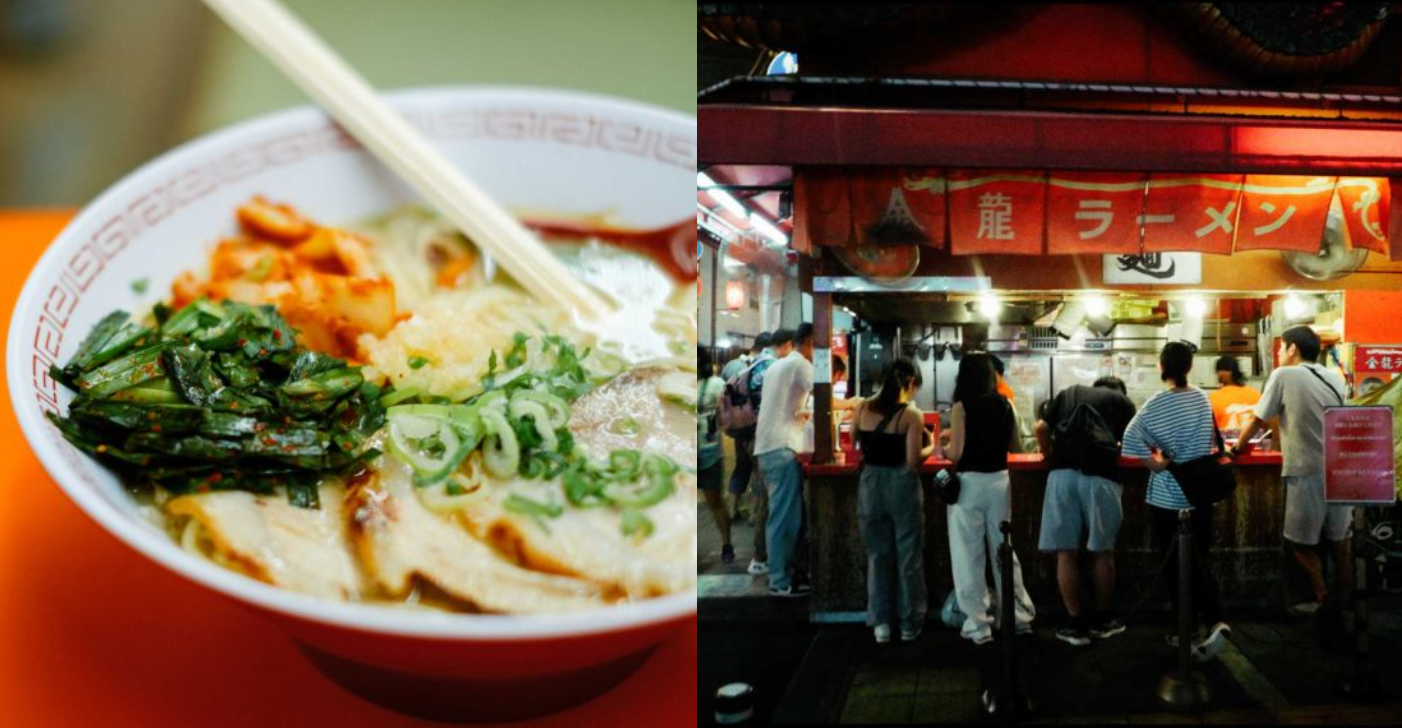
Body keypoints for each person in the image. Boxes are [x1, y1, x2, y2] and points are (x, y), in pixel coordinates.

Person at [1230, 326, 1351, 622]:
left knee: (1300, 543)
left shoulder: (1284, 375)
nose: (1279, 353)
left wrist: (1235, 450)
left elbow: (1258, 419)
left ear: (1293, 348)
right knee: (1340, 541)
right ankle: (1345, 599)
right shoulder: (1335, 377)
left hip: (1306, 471)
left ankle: (1324, 599)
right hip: (1341, 470)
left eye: (1281, 348)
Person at [1121, 342, 1231, 662]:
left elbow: (1130, 437)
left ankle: (1186, 629)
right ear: (1189, 367)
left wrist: (1156, 464)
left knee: (1175, 568)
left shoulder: (1157, 403)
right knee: (1198, 561)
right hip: (1201, 496)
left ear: (1161, 366)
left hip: (1168, 498)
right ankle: (1210, 622)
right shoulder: (1200, 396)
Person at [1035, 376, 1137, 646]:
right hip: (1102, 477)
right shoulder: (1123, 402)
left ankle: (1075, 625)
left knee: (1065, 553)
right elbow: (1136, 443)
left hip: (1061, 476)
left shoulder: (1069, 391)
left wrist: (1047, 454)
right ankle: (1103, 621)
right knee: (1102, 551)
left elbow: (1041, 427)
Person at [946, 353, 1036, 644]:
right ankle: (1017, 618)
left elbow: (956, 453)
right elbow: (1012, 444)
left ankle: (978, 625)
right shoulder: (1005, 404)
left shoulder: (961, 407)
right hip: (999, 482)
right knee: (1004, 550)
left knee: (968, 555)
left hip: (969, 485)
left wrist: (943, 448)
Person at [853, 358, 935, 643]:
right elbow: (913, 461)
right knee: (908, 555)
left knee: (878, 555)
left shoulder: (862, 407)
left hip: (870, 485)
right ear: (910, 382)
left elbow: (855, 441)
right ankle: (910, 623)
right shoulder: (911, 415)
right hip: (901, 486)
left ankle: (882, 625)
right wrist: (932, 446)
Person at [754, 324, 815, 597]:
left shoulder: (778, 365)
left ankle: (788, 574)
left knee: (783, 515)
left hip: (768, 447)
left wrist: (800, 413)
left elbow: (782, 406)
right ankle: (779, 581)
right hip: (781, 448)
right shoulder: (800, 364)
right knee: (783, 518)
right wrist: (855, 404)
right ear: (810, 341)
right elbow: (824, 396)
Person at [698, 349, 733, 564]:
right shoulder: (717, 384)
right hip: (707, 448)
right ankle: (726, 545)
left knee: (715, 501)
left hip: (704, 450)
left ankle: (727, 543)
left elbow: (725, 416)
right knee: (715, 502)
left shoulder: (714, 384)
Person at [1209, 356, 1261, 438]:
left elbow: (1208, 430)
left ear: (1221, 373)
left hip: (1225, 447)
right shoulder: (1256, 395)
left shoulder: (1214, 398)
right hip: (1253, 446)